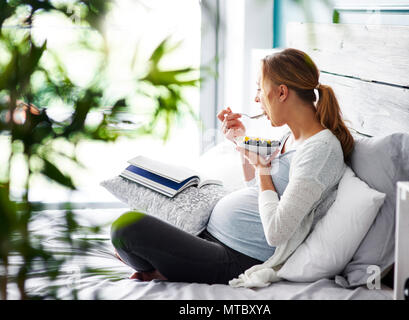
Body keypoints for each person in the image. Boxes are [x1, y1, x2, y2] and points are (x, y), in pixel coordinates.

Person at [110, 48, 354, 286]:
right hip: (211, 237)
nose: (256, 98)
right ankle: (162, 265)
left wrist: (263, 170)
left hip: (236, 258)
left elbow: (277, 232)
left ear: (281, 92)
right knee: (129, 225)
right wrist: (240, 140)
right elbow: (256, 190)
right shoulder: (289, 137)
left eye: (260, 89)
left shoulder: (320, 150)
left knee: (127, 228)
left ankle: (161, 269)